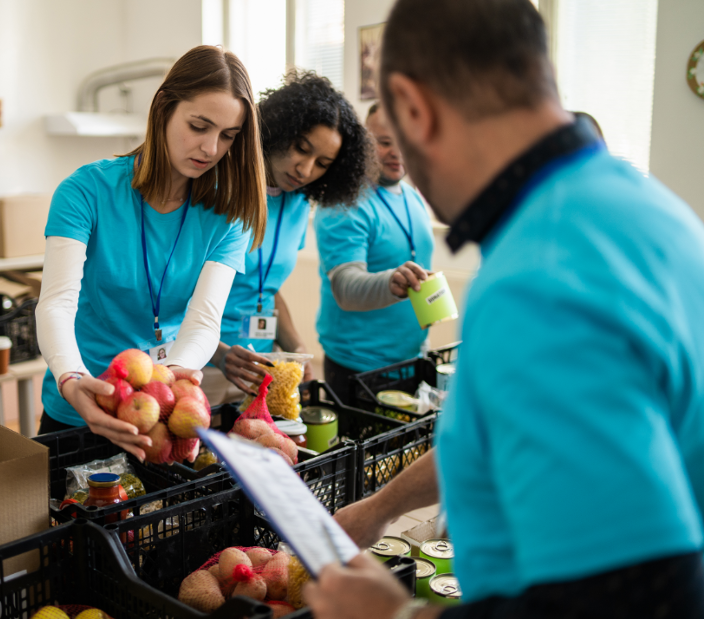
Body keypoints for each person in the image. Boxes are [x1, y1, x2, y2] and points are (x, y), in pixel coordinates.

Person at [308, 1, 704, 618]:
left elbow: (625, 598)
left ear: (413, 108)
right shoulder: (651, 214)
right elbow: (485, 429)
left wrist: (392, 615)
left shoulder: (540, 277)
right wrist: (381, 507)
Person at [36, 46, 267, 458]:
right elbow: (56, 304)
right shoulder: (85, 191)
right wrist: (71, 378)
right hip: (80, 405)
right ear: (163, 108)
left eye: (228, 136)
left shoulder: (225, 214)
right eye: (199, 126)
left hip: (162, 414)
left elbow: (203, 321)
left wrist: (170, 382)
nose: (211, 148)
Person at [204, 71, 374, 405]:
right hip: (204, 362)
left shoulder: (297, 204)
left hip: (262, 365)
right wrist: (219, 353)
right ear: (278, 130)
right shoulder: (215, 188)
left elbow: (266, 286)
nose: (306, 169)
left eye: (322, 163)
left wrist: (296, 346)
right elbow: (173, 290)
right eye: (301, 149)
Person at [314, 102, 433, 402]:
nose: (397, 152)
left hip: (411, 361)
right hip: (359, 371)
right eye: (384, 142)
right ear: (363, 143)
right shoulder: (343, 201)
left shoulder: (411, 197)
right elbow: (345, 285)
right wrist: (391, 282)